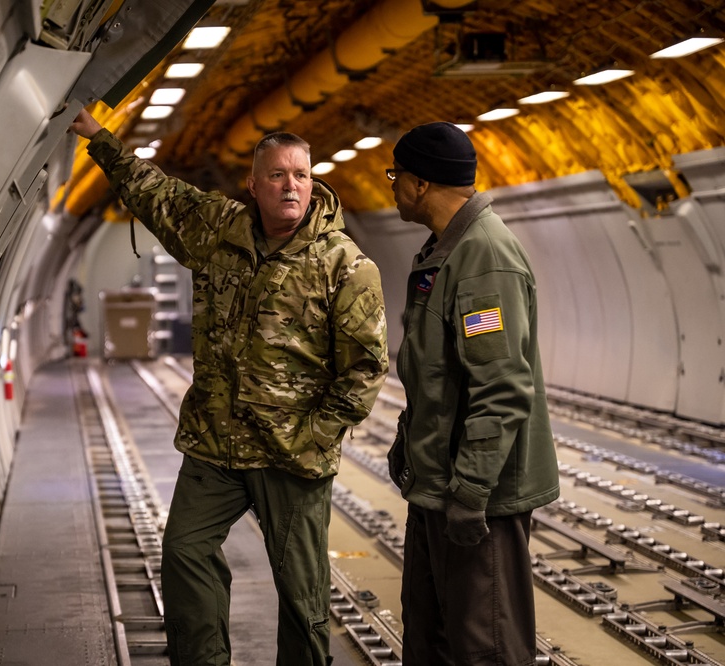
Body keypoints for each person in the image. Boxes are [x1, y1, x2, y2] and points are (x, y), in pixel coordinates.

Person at [70, 106, 388, 665]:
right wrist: (99, 137)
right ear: (254, 183)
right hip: (215, 444)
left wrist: (314, 436)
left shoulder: (343, 264)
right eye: (277, 174)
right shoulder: (220, 231)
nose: (291, 185)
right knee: (185, 552)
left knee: (301, 595)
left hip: (291, 456)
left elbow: (365, 367)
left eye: (301, 175)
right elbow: (155, 193)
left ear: (312, 183)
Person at [384, 122, 560, 665]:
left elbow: (501, 388)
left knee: (485, 644)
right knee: (432, 634)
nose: (391, 187)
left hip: (478, 495)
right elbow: (438, 374)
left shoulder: (484, 257)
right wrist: (409, 446)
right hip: (439, 484)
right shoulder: (445, 250)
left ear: (418, 185)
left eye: (395, 176)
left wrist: (470, 493)